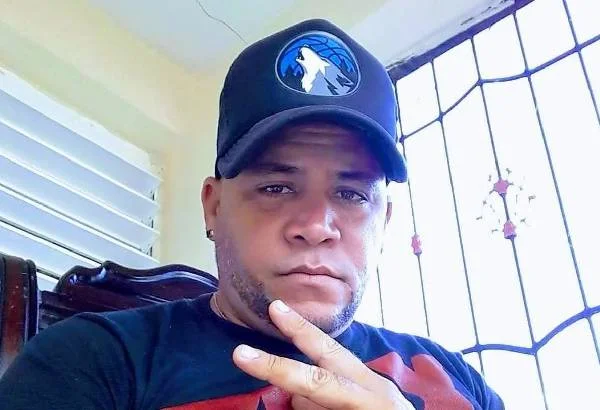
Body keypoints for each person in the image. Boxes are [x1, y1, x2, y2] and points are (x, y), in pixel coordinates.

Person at [0, 19, 503, 409]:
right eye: (277, 187)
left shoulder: (456, 379)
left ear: (384, 222)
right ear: (214, 207)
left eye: (351, 195)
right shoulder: (91, 360)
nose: (316, 227)